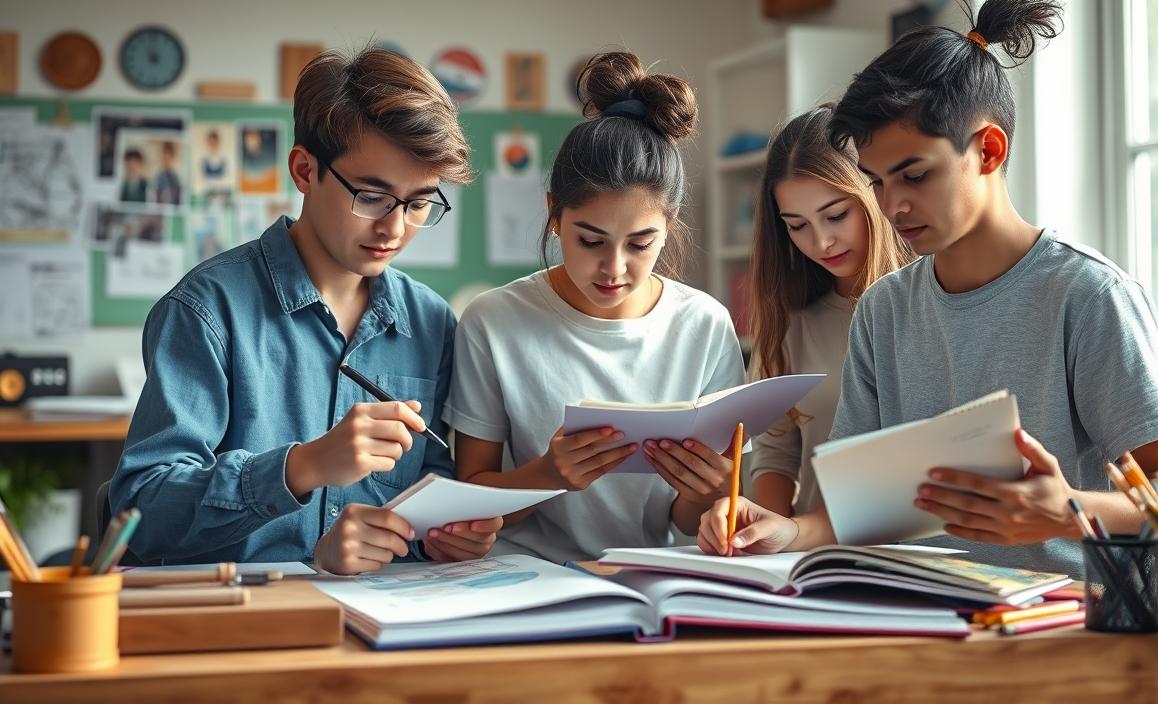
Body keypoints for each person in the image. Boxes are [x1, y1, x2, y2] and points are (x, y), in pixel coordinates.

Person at [699, 0, 1158, 577]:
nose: (894, 205)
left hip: (1056, 622)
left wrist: (1067, 510)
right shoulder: (883, 311)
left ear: (987, 150)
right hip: (917, 607)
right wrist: (787, 530)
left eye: (914, 175)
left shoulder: (1088, 296)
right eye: (878, 182)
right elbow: (853, 510)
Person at [112, 46, 501, 573]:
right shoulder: (206, 310)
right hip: (238, 620)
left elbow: (427, 494)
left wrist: (440, 538)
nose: (394, 228)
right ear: (304, 170)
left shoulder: (431, 323)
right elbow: (142, 509)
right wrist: (302, 466)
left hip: (382, 618)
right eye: (372, 196)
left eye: (419, 203)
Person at [445, 52, 746, 563]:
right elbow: (469, 499)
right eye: (591, 241)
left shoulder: (705, 325)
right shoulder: (494, 320)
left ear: (669, 227)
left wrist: (704, 492)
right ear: (554, 216)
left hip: (652, 573)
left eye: (640, 244)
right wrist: (547, 476)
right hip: (520, 577)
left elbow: (689, 523)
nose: (614, 268)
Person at [747, 106, 911, 517]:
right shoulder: (790, 324)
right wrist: (762, 540)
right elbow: (776, 456)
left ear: (874, 193)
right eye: (797, 225)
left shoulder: (928, 302)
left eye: (836, 215)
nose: (822, 243)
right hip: (816, 556)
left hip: (922, 556)